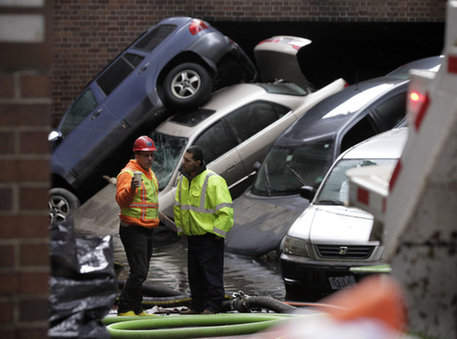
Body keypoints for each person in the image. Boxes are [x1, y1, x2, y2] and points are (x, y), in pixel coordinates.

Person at [174, 145, 234, 314]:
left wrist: (216, 234)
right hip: (192, 237)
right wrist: (181, 230)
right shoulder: (183, 180)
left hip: (209, 237)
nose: (183, 163)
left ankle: (214, 306)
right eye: (184, 159)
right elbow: (179, 207)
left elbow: (226, 211)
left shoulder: (214, 181)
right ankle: (198, 306)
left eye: (187, 160)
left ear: (198, 163)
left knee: (211, 275)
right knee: (195, 275)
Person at [115, 135, 159, 316]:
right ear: (137, 155)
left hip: (147, 228)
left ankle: (137, 307)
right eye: (146, 155)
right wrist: (132, 188)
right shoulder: (128, 174)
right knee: (139, 271)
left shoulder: (150, 173)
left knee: (142, 271)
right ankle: (125, 308)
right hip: (133, 229)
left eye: (151, 155)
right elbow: (121, 201)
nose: (150, 159)